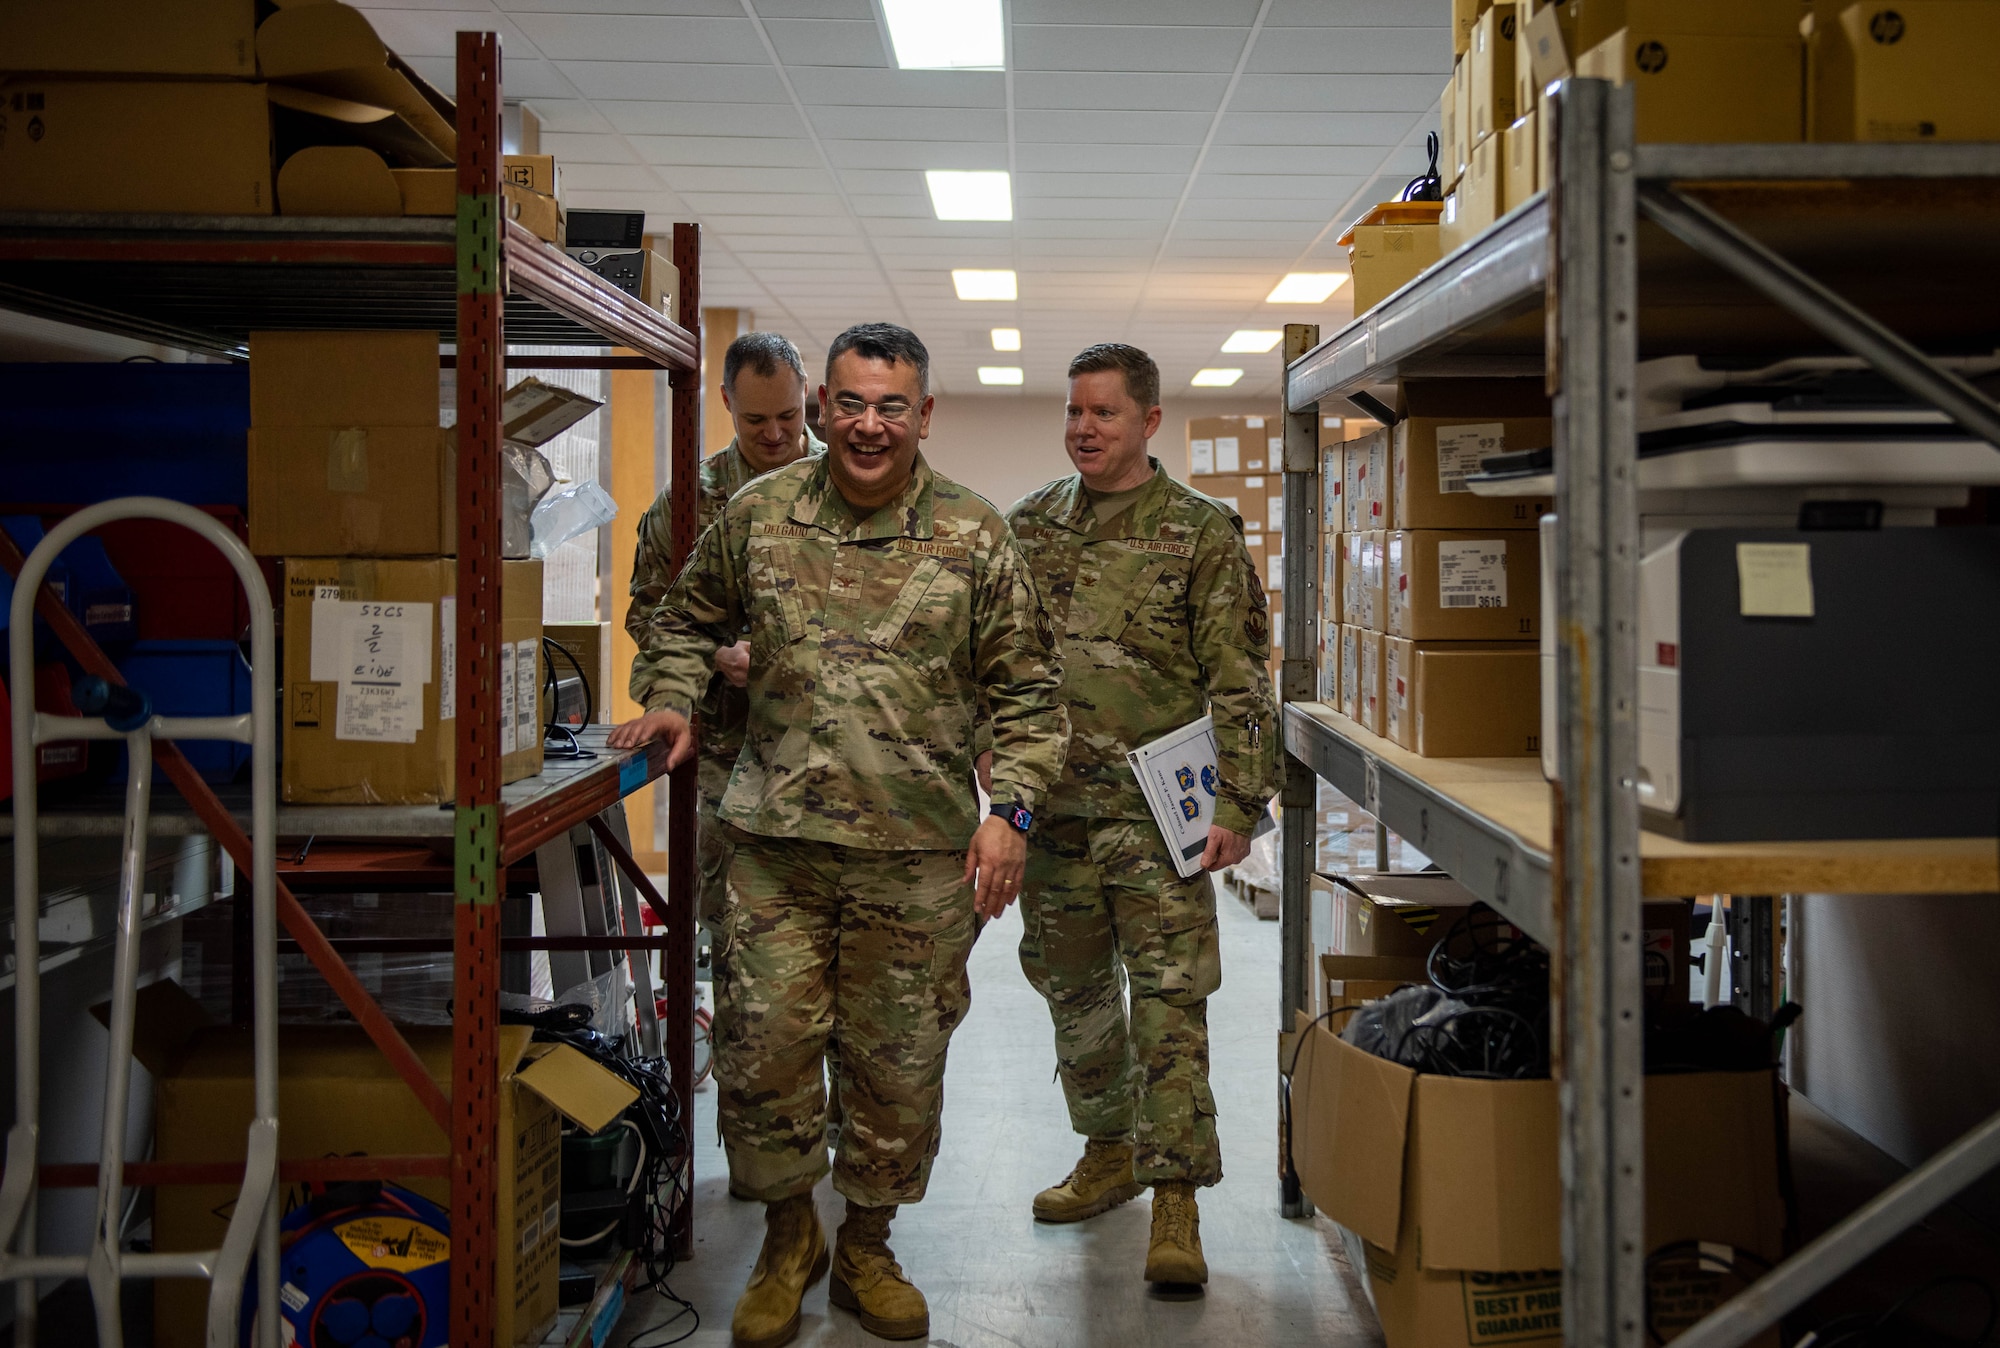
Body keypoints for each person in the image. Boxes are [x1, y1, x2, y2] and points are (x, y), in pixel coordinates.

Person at [612, 322, 1069, 1348]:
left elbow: (1032, 700)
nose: (869, 424)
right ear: (823, 405)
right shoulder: (755, 515)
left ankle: (865, 1243)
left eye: (891, 404)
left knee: (895, 1064)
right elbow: (682, 622)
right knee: (764, 1049)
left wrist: (1013, 816)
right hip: (774, 843)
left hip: (915, 861)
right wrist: (676, 699)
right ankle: (787, 1240)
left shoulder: (972, 534)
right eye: (851, 403)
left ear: (922, 413)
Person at [1002, 342, 1279, 1295]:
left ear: (1149, 421)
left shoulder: (1199, 532)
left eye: (1104, 414)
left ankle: (1176, 1200)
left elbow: (1240, 677)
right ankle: (1107, 1153)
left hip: (1160, 818)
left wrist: (1241, 803)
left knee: (1168, 1004)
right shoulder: (1029, 525)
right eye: (1075, 413)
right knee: (1073, 997)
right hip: (1055, 814)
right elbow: (992, 660)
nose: (1084, 429)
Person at [627, 330, 824, 937]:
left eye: (789, 417)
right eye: (755, 419)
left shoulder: (850, 483)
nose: (774, 434)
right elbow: (649, 615)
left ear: (808, 399)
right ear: (725, 403)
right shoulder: (691, 499)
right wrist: (717, 655)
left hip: (829, 747)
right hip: (726, 756)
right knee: (731, 925)